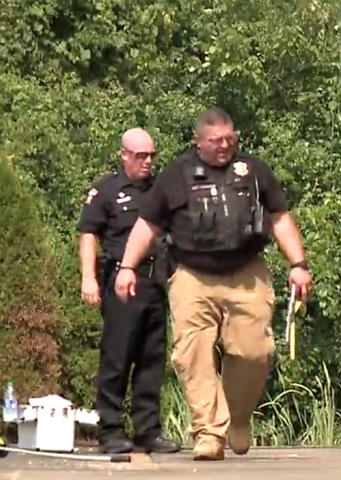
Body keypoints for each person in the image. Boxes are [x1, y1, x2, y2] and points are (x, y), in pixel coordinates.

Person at [113, 107, 313, 461]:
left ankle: (237, 417)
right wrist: (127, 266)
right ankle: (208, 432)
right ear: (198, 141)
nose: (224, 146)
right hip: (193, 274)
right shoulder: (177, 174)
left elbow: (279, 218)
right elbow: (148, 225)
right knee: (192, 352)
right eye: (215, 141)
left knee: (255, 352)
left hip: (246, 271)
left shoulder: (253, 171)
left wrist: (298, 264)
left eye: (229, 139)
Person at [78, 128, 180, 454]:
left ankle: (148, 431)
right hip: (121, 283)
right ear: (124, 155)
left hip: (155, 282)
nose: (147, 162)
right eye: (140, 156)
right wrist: (88, 278)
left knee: (151, 360)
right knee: (117, 358)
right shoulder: (107, 190)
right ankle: (110, 431)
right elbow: (88, 234)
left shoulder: (161, 190)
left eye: (151, 155)